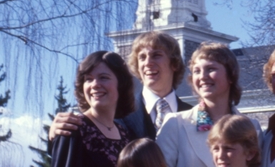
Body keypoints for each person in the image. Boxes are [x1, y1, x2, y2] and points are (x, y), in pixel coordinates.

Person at [157, 41, 259, 167]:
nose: (202, 76)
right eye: (196, 71)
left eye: (211, 69)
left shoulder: (252, 127)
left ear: (231, 76)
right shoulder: (175, 124)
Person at [49, 31, 192, 141]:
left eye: (156, 55)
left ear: (174, 63)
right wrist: (55, 136)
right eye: (142, 57)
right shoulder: (116, 114)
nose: (148, 63)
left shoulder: (193, 116)